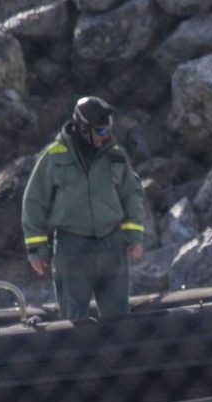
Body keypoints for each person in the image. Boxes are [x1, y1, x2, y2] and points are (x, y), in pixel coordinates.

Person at [21, 96, 146, 320]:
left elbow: (132, 193)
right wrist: (36, 250)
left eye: (108, 130)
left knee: (119, 318)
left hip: (111, 244)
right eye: (100, 131)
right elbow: (34, 201)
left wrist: (134, 237)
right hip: (72, 248)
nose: (105, 135)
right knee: (73, 321)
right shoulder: (54, 156)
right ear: (83, 128)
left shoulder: (116, 155)